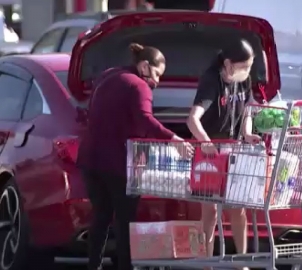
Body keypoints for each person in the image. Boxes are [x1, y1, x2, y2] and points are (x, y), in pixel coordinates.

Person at [77, 43, 194, 270]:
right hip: (119, 163)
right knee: (124, 222)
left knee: (100, 217)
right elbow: (145, 120)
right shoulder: (139, 86)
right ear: (144, 66)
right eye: (157, 74)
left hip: (90, 160)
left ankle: (94, 266)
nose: (158, 81)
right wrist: (174, 139)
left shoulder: (108, 75)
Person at [187, 39, 262, 269]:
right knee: (209, 211)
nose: (247, 71)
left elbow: (247, 109)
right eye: (244, 66)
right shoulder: (212, 80)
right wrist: (206, 142)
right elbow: (192, 119)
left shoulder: (244, 80)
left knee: (237, 209)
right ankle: (206, 262)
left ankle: (242, 262)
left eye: (250, 66)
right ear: (228, 64)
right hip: (211, 153)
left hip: (234, 148)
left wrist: (247, 133)